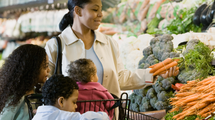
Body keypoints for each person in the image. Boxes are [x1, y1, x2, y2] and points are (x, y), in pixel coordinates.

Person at [45, 0, 179, 98]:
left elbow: (120, 78)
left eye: (101, 10)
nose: (100, 14)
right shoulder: (56, 45)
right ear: (78, 11)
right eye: (95, 9)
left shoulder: (108, 43)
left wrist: (154, 73)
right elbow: (46, 88)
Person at [22, 74, 113, 120]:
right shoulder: (66, 118)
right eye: (74, 102)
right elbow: (99, 119)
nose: (76, 106)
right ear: (61, 101)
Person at [0, 44, 50, 120]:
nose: (49, 70)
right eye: (45, 66)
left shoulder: (36, 94)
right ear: (32, 69)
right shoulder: (17, 97)